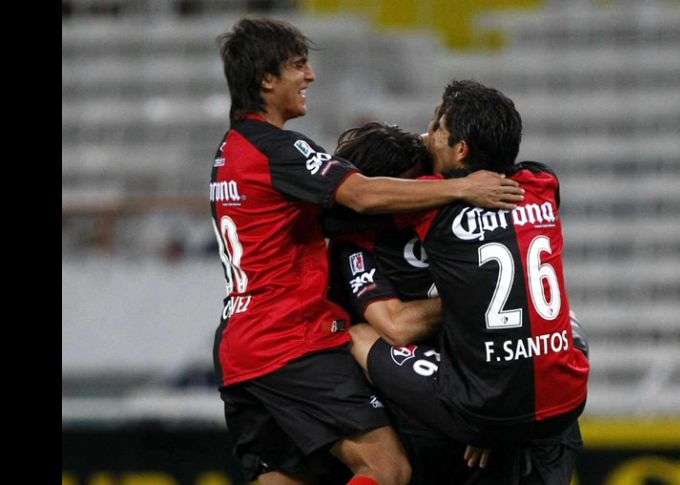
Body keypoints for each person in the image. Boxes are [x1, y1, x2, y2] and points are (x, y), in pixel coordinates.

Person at [209, 17, 525, 485]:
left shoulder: (228, 153)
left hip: (241, 346)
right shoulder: (275, 149)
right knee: (388, 468)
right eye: (298, 65)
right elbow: (361, 194)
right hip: (291, 340)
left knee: (290, 475)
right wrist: (462, 191)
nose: (310, 76)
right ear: (266, 79)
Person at [348, 80, 590, 484]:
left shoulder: (432, 206)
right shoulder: (543, 184)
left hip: (488, 409)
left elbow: (361, 199)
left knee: (358, 335)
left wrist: (484, 422)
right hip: (568, 401)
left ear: (461, 150)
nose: (427, 136)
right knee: (569, 320)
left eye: (437, 128)